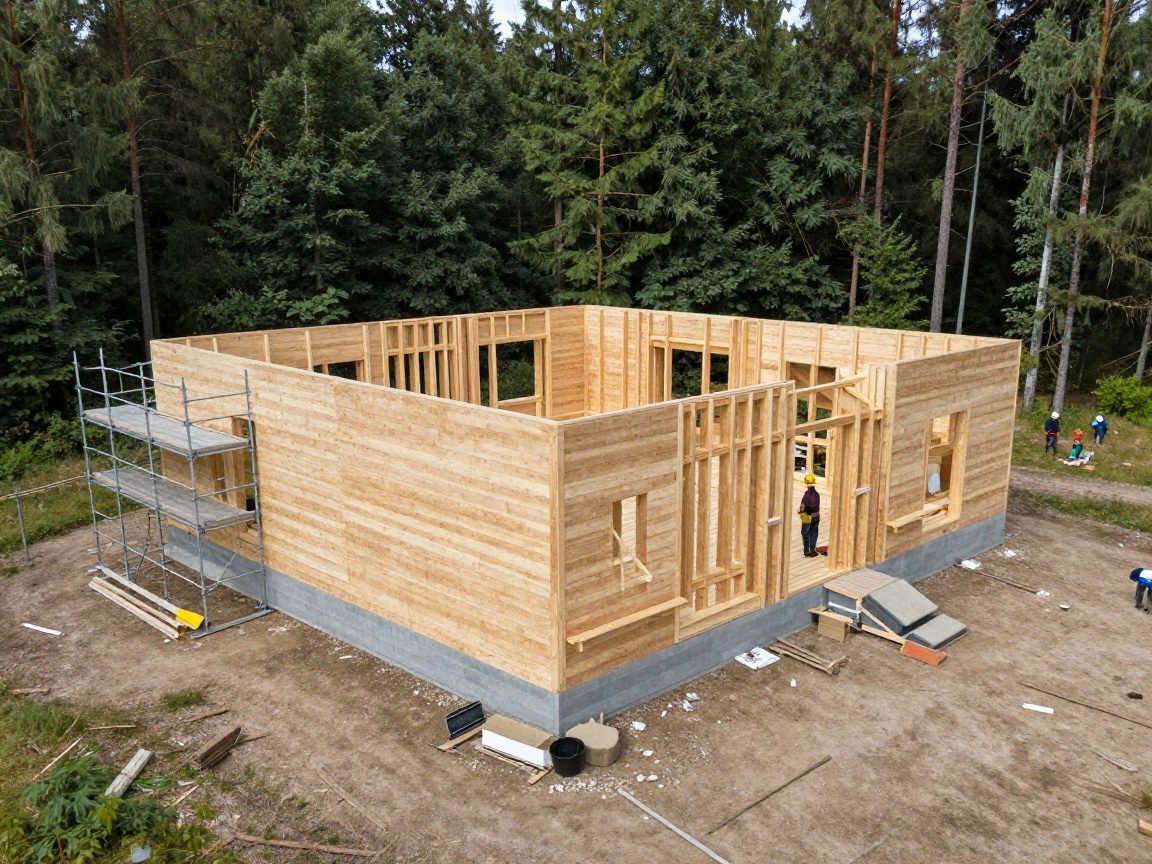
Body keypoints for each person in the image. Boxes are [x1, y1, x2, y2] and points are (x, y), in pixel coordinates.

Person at [798, 473, 821, 558]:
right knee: (814, 533)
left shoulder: (806, 495)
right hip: (816, 515)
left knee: (805, 533)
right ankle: (812, 550)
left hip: (807, 516)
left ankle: (807, 551)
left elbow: (804, 507)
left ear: (806, 482)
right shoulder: (817, 494)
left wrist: (800, 511)